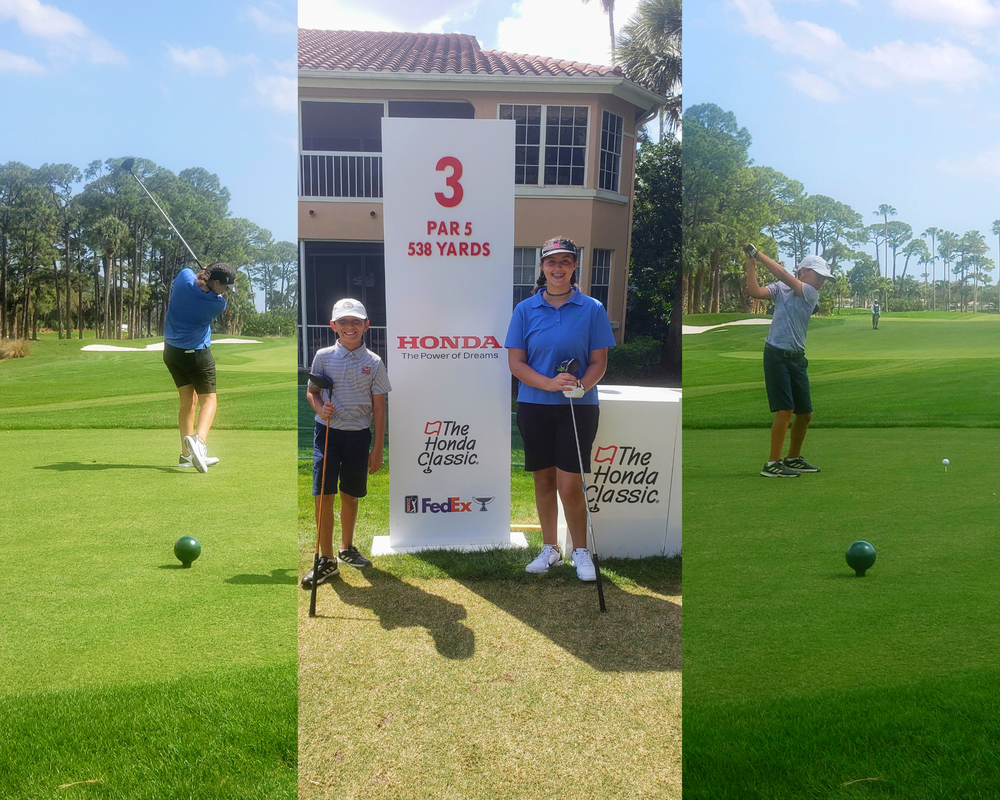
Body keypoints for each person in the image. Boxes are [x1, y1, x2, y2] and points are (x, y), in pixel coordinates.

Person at [505, 237, 616, 581]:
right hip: (534, 404)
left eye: (565, 262)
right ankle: (550, 548)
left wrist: (583, 385)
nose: (558, 268)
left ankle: (580, 551)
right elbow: (516, 363)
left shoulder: (592, 308)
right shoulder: (525, 310)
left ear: (574, 267)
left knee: (569, 484)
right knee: (544, 479)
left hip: (578, 407)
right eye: (552, 262)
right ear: (542, 267)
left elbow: (599, 362)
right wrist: (549, 383)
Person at [301, 298, 390, 589]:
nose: (349, 327)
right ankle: (326, 560)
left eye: (355, 322)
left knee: (350, 494)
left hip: (358, 435)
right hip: (327, 433)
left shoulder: (374, 362)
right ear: (333, 326)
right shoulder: (323, 356)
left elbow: (379, 407)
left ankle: (346, 548)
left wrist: (377, 447)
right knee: (323, 494)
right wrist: (319, 408)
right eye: (343, 322)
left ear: (366, 325)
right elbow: (313, 393)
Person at [744, 245, 833, 478]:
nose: (822, 281)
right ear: (803, 271)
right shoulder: (782, 288)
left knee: (805, 413)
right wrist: (751, 262)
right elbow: (754, 291)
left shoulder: (810, 293)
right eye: (820, 276)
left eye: (825, 278)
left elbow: (783, 274)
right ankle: (772, 464)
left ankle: (792, 458)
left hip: (797, 358)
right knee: (785, 409)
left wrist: (757, 253)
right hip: (776, 355)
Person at [162, 262, 237, 472]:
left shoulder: (183, 278)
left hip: (172, 353)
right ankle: (200, 443)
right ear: (215, 282)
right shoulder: (217, 305)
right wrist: (212, 288)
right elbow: (215, 296)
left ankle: (186, 456)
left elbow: (189, 273)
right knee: (209, 400)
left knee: (188, 401)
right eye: (224, 286)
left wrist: (204, 274)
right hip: (197, 355)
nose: (225, 291)